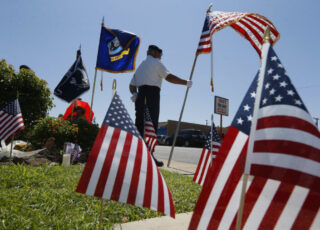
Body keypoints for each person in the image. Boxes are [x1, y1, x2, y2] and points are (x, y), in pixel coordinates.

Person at [129, 45, 192, 167]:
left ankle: (138, 155)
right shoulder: (156, 62)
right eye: (160, 54)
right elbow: (169, 77)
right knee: (151, 125)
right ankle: (148, 157)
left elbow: (131, 85)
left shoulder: (141, 65)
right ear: (153, 53)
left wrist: (135, 93)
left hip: (140, 97)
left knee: (140, 124)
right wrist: (185, 82)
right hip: (152, 96)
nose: (160, 56)